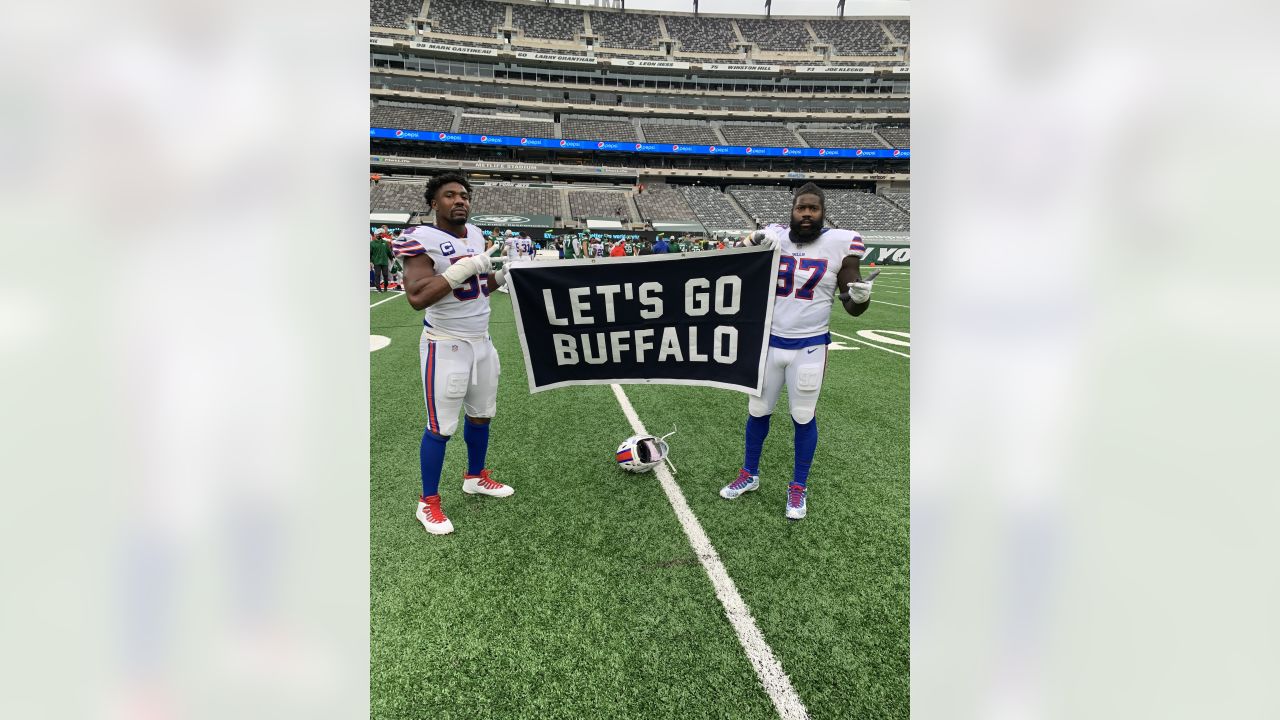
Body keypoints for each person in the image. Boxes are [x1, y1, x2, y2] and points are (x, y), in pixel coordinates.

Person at [720, 182, 878, 520]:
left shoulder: (839, 244)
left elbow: (852, 306)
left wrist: (860, 297)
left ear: (823, 213)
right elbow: (733, 260)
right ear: (792, 210)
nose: (807, 214)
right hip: (769, 343)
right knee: (757, 410)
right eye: (801, 208)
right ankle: (749, 474)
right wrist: (752, 242)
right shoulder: (775, 235)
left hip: (809, 346)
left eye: (813, 209)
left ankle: (798, 486)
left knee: (803, 416)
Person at [393, 171, 515, 536]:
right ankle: (427, 502)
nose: (460, 200)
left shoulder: (476, 234)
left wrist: (503, 276)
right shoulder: (419, 238)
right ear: (434, 203)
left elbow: (478, 287)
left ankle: (475, 476)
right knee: (441, 427)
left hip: (482, 340)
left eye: (464, 195)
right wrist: (463, 269)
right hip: (445, 343)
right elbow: (417, 297)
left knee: (482, 415)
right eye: (450, 195)